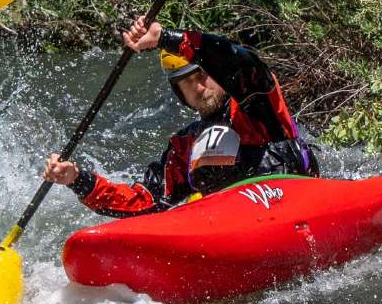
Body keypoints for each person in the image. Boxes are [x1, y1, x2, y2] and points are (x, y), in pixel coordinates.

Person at [43, 16, 319, 217]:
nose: (199, 87)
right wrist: (78, 179)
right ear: (179, 93)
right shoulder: (184, 146)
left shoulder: (254, 102)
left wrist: (166, 38)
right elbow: (146, 201)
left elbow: (240, 62)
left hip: (291, 207)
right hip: (234, 226)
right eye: (187, 83)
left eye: (203, 75)